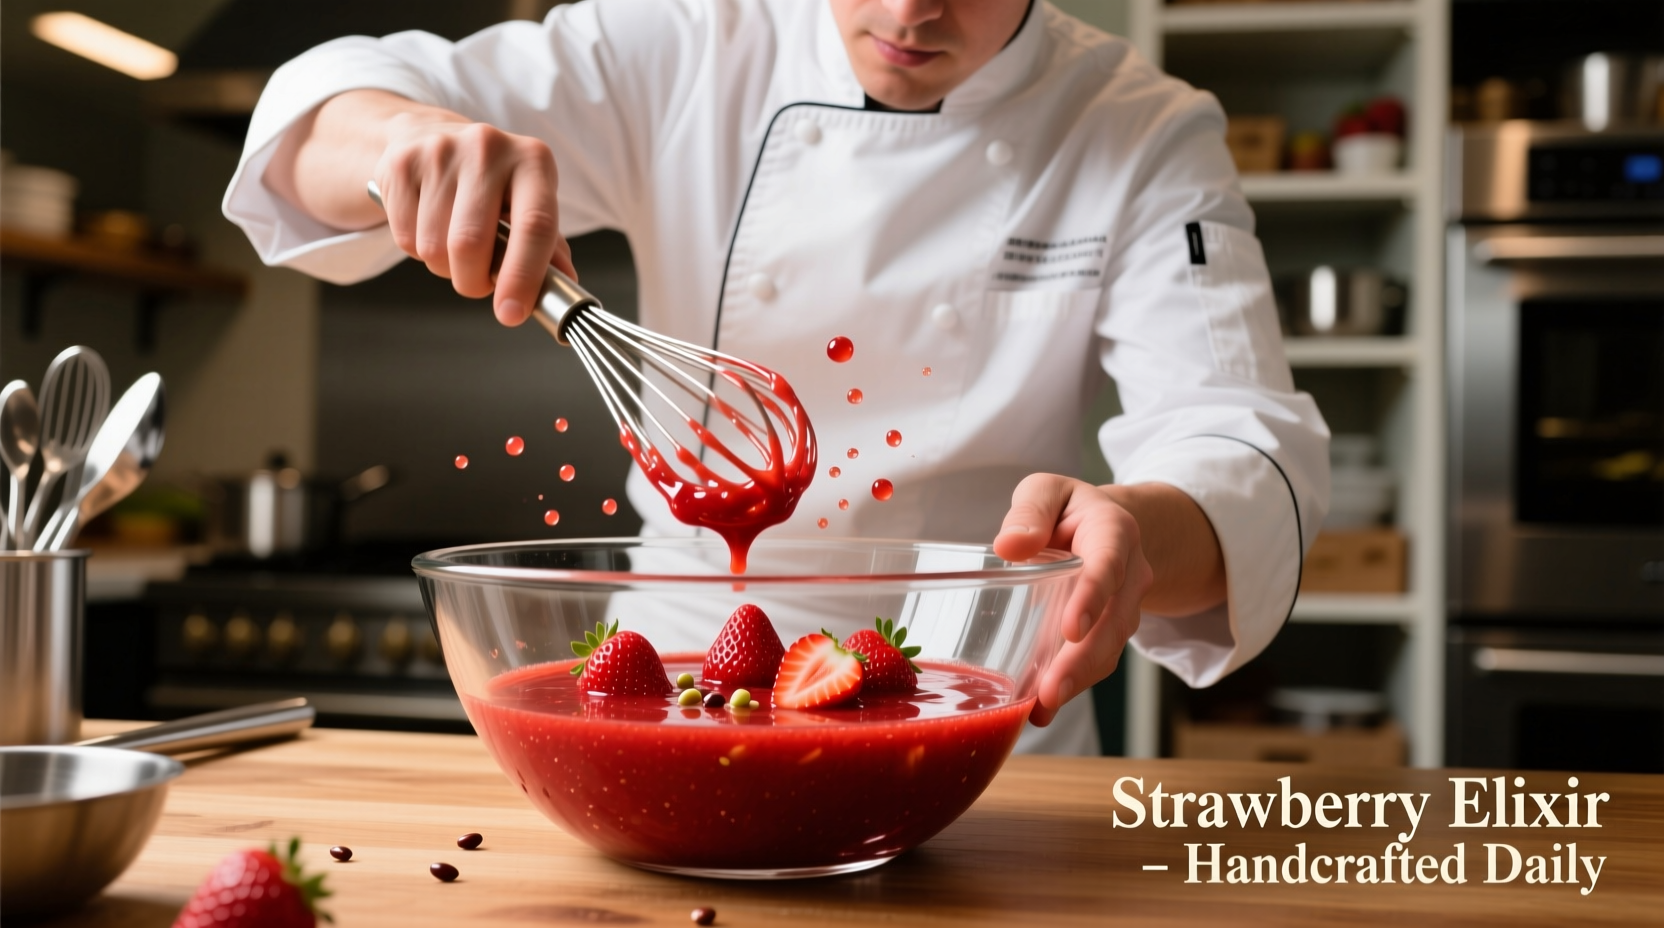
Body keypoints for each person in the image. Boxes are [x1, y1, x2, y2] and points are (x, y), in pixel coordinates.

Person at [225, 0, 1329, 754]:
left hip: (971, 703)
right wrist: (404, 139)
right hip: (668, 686)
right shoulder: (690, 43)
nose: (909, 11)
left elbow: (1235, 436)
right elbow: (320, 119)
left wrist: (1132, 532)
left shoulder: (1139, 129)